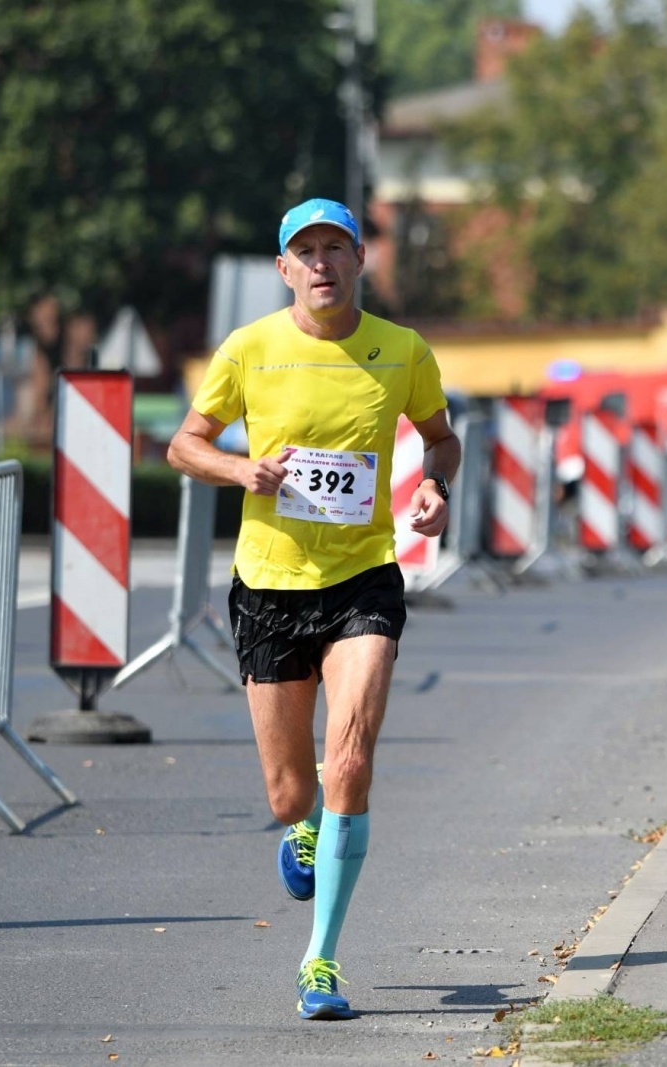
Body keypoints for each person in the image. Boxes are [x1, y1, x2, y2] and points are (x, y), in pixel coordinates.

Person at [168, 198, 461, 1019]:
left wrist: (437, 483)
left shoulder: (401, 349)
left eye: (337, 247)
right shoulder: (250, 348)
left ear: (361, 259)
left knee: (352, 761)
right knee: (289, 793)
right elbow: (182, 443)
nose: (323, 262)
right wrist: (239, 471)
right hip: (268, 585)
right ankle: (303, 829)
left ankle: (320, 961)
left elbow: (441, 436)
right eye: (307, 250)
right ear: (284, 268)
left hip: (364, 576)